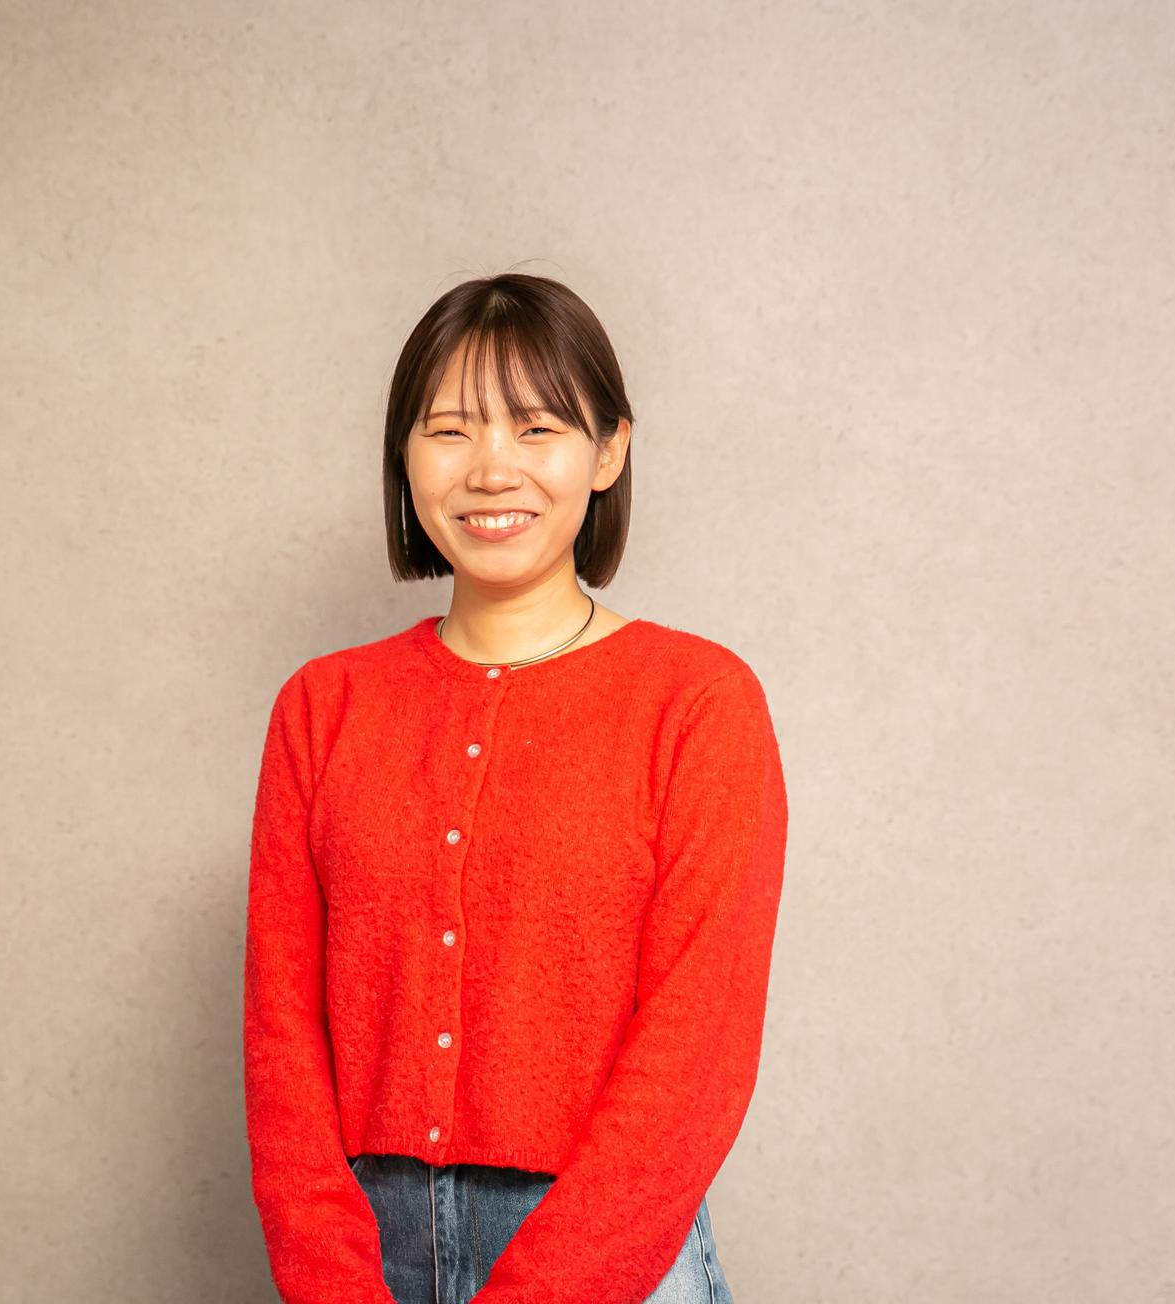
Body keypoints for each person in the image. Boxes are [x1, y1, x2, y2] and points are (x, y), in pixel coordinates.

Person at [243, 272, 787, 1304]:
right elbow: (282, 1044)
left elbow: (696, 1054)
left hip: (613, 1260)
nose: (492, 468)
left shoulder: (697, 702)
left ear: (609, 450)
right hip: (367, 1257)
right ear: (403, 455)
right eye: (449, 430)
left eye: (537, 427)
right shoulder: (323, 707)